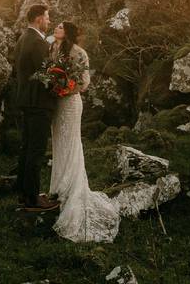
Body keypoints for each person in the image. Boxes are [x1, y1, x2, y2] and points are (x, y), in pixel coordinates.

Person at [47, 21, 120, 243]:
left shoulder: (79, 53)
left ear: (67, 32)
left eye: (60, 27)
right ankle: (58, 187)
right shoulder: (51, 48)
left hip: (69, 103)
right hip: (55, 104)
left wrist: (65, 88)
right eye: (56, 25)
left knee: (71, 142)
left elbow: (84, 82)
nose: (56, 28)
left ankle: (71, 189)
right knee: (58, 143)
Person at [14, 4, 60, 212]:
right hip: (39, 103)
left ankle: (24, 193)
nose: (49, 22)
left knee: (26, 148)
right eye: (47, 18)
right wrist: (61, 88)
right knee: (36, 150)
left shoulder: (23, 39)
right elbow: (47, 76)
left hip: (25, 100)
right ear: (39, 19)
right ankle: (33, 198)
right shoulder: (39, 43)